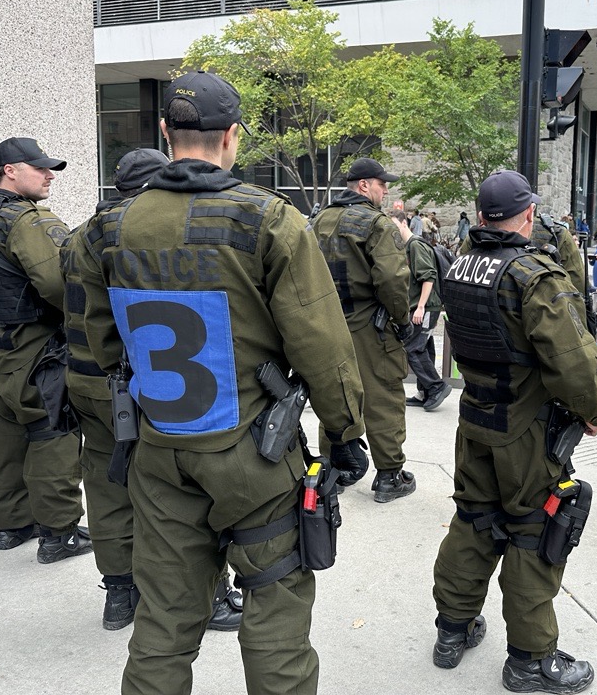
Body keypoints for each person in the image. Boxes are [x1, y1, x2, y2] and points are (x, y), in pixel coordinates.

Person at [76, 71, 368, 694]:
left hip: (158, 452)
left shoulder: (106, 229)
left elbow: (102, 345)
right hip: (254, 454)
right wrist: (345, 434)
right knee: (276, 603)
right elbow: (322, 347)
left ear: (164, 133)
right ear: (233, 137)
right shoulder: (270, 222)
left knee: (163, 619)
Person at [431, 170, 597, 694]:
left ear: (482, 215)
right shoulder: (535, 276)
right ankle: (530, 660)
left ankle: (451, 632)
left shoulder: (460, 265)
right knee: (534, 534)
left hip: (475, 418)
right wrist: (591, 410)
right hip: (526, 431)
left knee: (473, 521)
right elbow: (574, 364)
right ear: (528, 216)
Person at [61, 148, 242, 633]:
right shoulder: (146, 232)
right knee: (179, 493)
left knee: (103, 485)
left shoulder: (84, 233)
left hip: (84, 380)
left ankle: (120, 593)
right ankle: (211, 594)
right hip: (141, 384)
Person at [0, 137, 90, 561]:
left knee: (7, 435)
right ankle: (58, 533)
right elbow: (58, 286)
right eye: (40, 168)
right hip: (37, 345)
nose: (49, 175)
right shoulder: (24, 220)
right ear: (10, 170)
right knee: (53, 431)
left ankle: (12, 526)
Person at [313, 157, 417, 503]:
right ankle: (389, 475)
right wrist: (402, 320)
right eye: (381, 184)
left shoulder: (319, 221)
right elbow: (392, 279)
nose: (386, 190)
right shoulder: (377, 224)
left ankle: (334, 468)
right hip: (368, 326)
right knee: (382, 396)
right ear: (363, 186)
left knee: (335, 393)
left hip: (326, 325)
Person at [391, 209, 453, 412]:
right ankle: (424, 391)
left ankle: (436, 387)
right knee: (424, 346)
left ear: (403, 224)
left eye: (394, 225)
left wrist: (420, 307)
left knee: (412, 347)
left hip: (425, 306)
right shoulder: (410, 245)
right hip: (423, 306)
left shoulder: (415, 245)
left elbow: (428, 277)